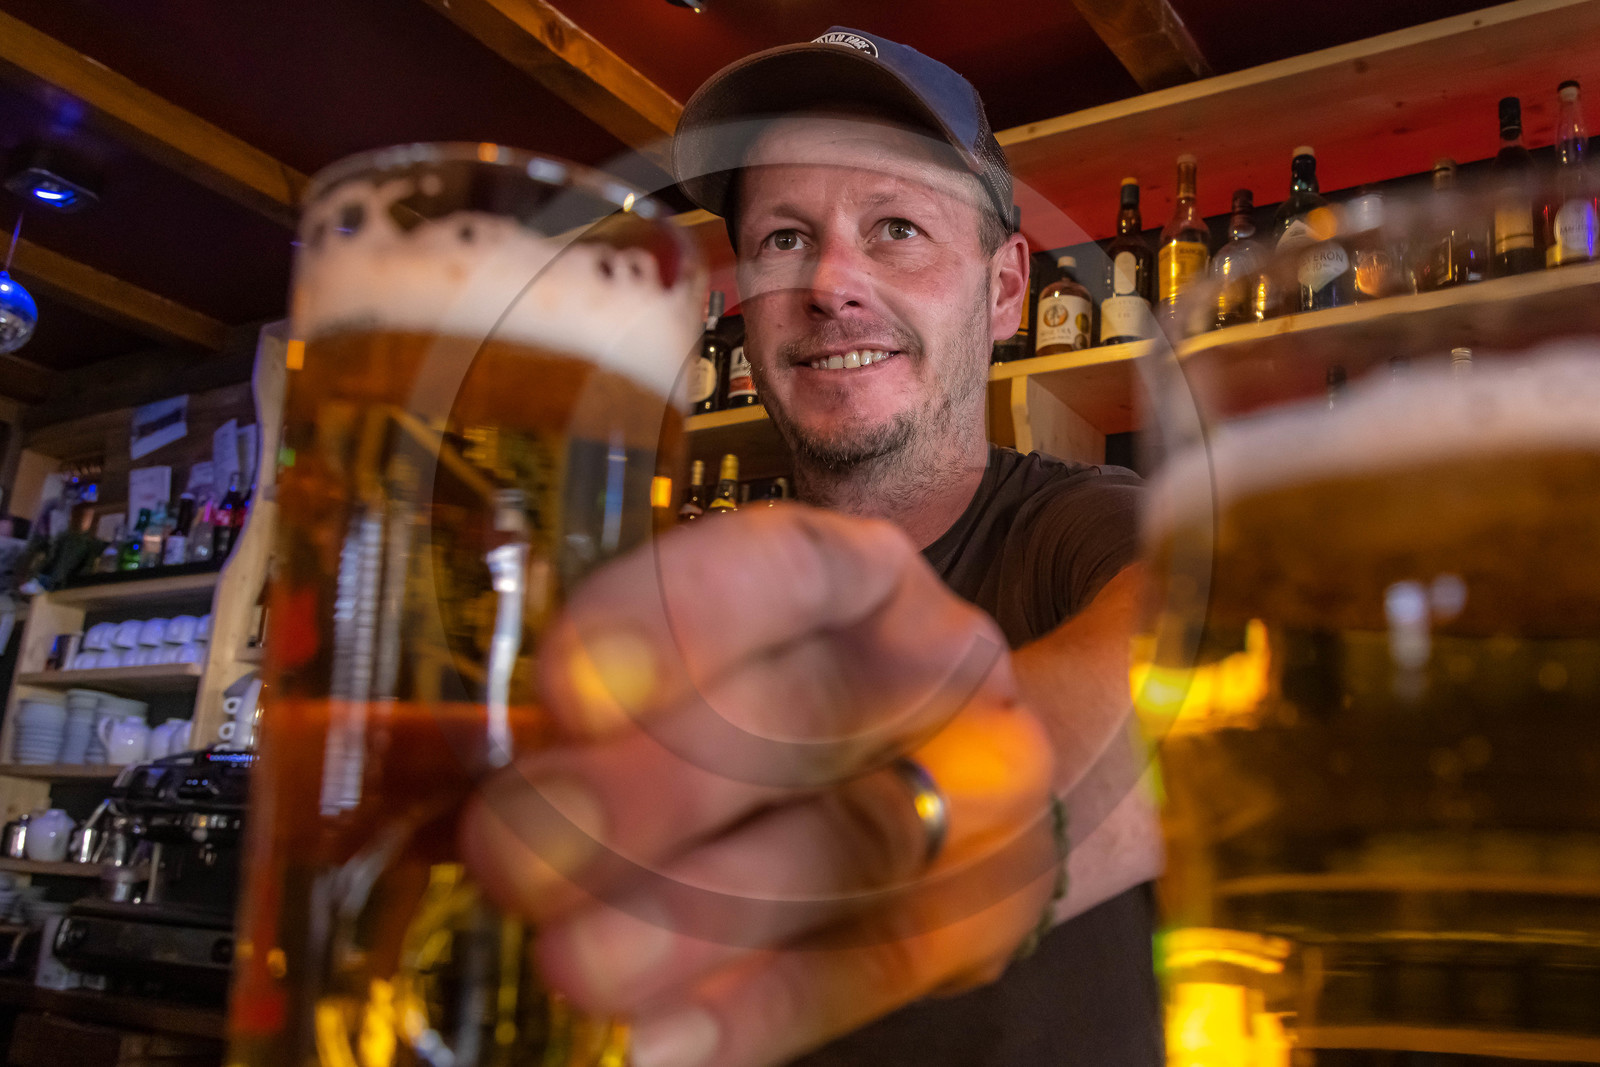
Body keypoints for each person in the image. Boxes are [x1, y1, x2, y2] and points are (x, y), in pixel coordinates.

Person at [462, 27, 1165, 1067]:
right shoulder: (667, 604)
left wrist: (903, 832)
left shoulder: (1079, 525)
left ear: (1006, 288)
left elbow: (1227, 643)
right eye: (784, 239)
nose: (832, 283)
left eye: (894, 227)